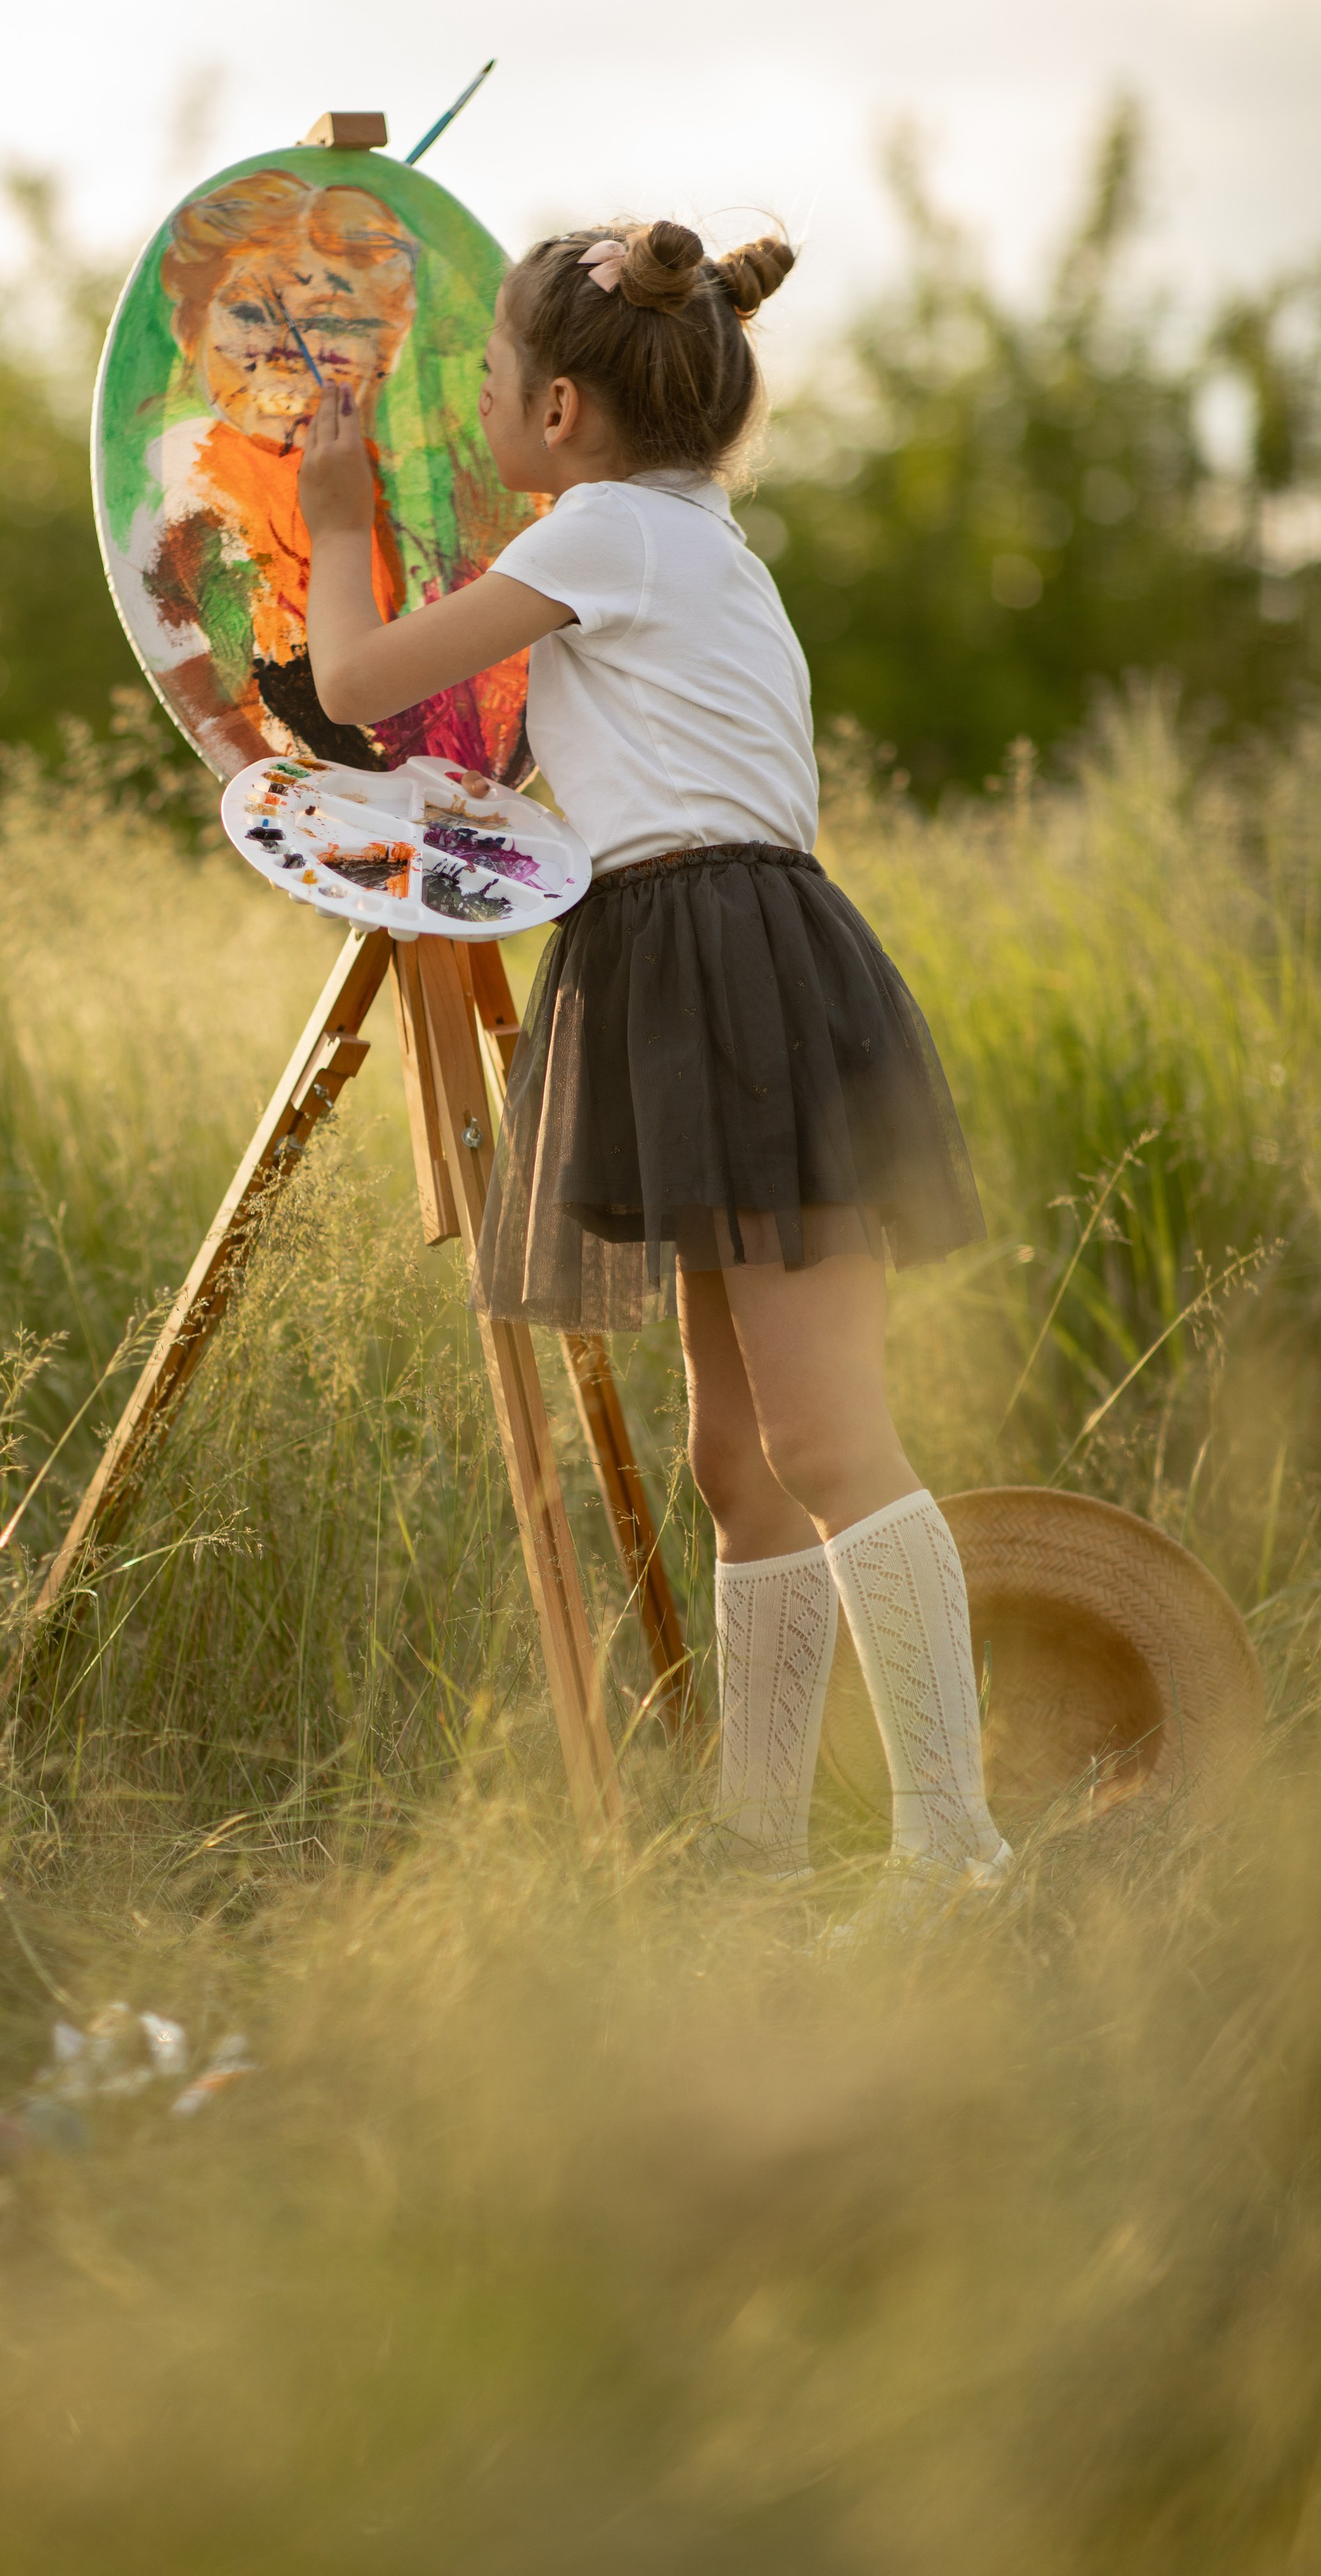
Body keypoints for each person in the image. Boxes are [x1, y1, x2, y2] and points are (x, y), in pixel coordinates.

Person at [296, 214, 1009, 1906]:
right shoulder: (675, 533)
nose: (470, 403)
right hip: (684, 959)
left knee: (828, 1441)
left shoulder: (604, 531)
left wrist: (334, 525)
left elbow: (350, 683)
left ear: (558, 416)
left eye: (482, 378)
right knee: (736, 1456)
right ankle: (758, 1848)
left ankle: (954, 1852)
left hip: (722, 966)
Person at [142, 168, 529, 781]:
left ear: (393, 343)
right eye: (249, 311)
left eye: (338, 322)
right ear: (188, 330)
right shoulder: (179, 496)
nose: (287, 350)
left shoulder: (448, 504)